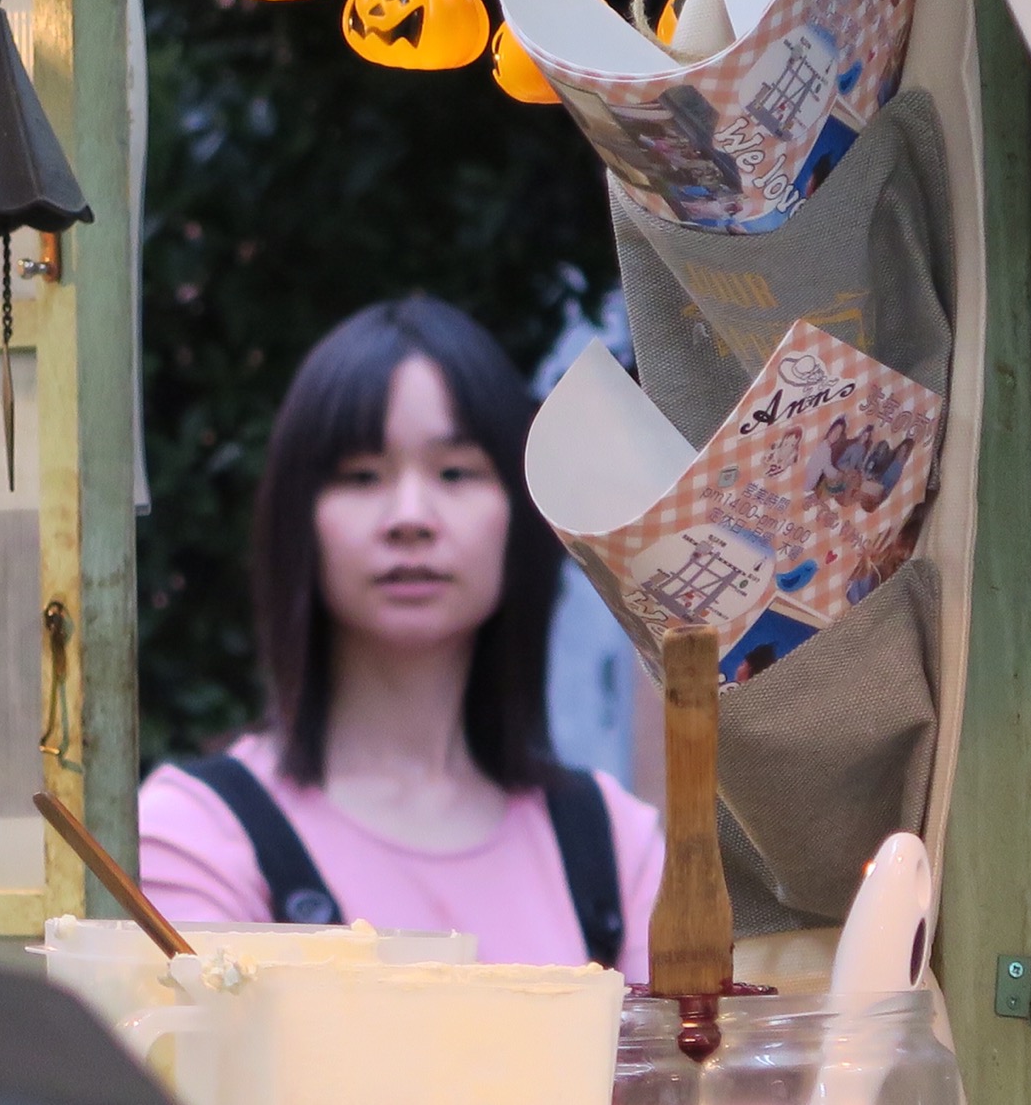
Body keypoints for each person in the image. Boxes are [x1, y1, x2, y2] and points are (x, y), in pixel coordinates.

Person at [138, 297, 664, 978]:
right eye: (361, 476)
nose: (410, 517)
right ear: (297, 521)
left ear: (522, 512)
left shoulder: (616, 847)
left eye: (456, 472)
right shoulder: (199, 837)